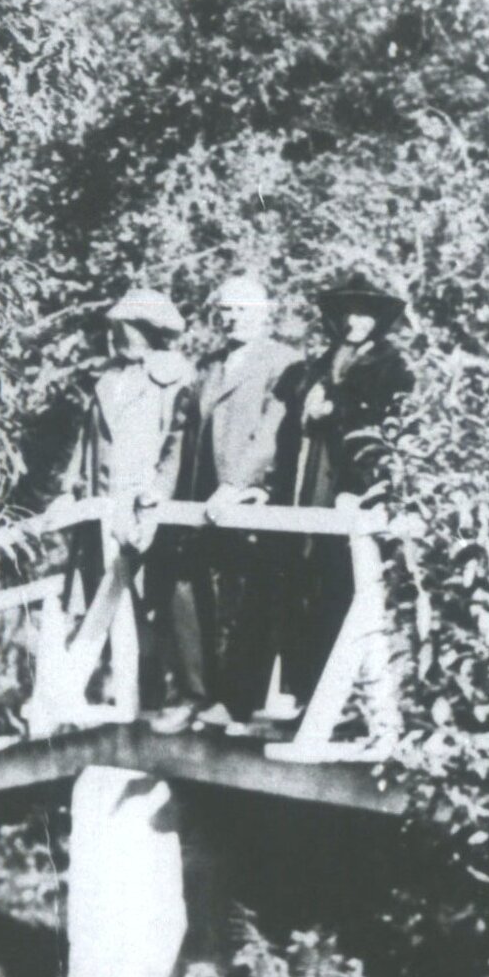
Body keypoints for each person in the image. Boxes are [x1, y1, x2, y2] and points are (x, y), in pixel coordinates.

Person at [274, 267, 411, 708]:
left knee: (347, 585)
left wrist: (337, 411)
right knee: (302, 584)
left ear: (378, 321)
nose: (355, 323)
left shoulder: (391, 368)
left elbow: (383, 432)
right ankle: (307, 698)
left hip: (352, 485)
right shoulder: (317, 365)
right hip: (309, 479)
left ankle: (350, 704)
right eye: (349, 314)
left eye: (365, 315)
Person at [61, 286, 199, 712]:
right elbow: (87, 445)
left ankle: (169, 692)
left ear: (146, 330)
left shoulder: (172, 376)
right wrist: (68, 490)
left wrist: (157, 493)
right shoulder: (108, 380)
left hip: (147, 505)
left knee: (158, 597)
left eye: (123, 327)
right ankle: (125, 693)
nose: (115, 335)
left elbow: (178, 442)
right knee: (107, 597)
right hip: (102, 505)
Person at [186, 273, 296, 730]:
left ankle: (242, 703)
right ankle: (205, 697)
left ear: (265, 314)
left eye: (244, 310)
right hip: (204, 501)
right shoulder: (210, 365)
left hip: (250, 498)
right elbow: (188, 431)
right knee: (200, 597)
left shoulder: (283, 361)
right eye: (226, 310)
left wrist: (236, 482)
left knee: (256, 599)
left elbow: (271, 432)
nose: (234, 319)